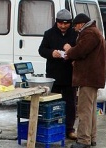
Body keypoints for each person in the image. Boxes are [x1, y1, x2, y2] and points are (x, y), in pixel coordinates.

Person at [63, 13, 106, 148]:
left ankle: (83, 139)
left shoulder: (89, 33)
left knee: (84, 110)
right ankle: (91, 138)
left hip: (88, 78)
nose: (75, 29)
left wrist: (69, 51)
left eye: (75, 26)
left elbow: (81, 50)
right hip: (93, 77)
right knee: (91, 109)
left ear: (80, 24)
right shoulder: (95, 32)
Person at [38, 9, 78, 140]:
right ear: (56, 22)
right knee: (52, 103)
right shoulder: (49, 34)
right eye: (60, 23)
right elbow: (42, 50)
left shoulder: (74, 34)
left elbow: (79, 51)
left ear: (70, 23)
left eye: (66, 23)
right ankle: (52, 126)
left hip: (69, 75)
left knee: (70, 103)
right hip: (53, 75)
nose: (63, 26)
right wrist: (51, 53)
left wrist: (70, 54)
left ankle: (69, 129)